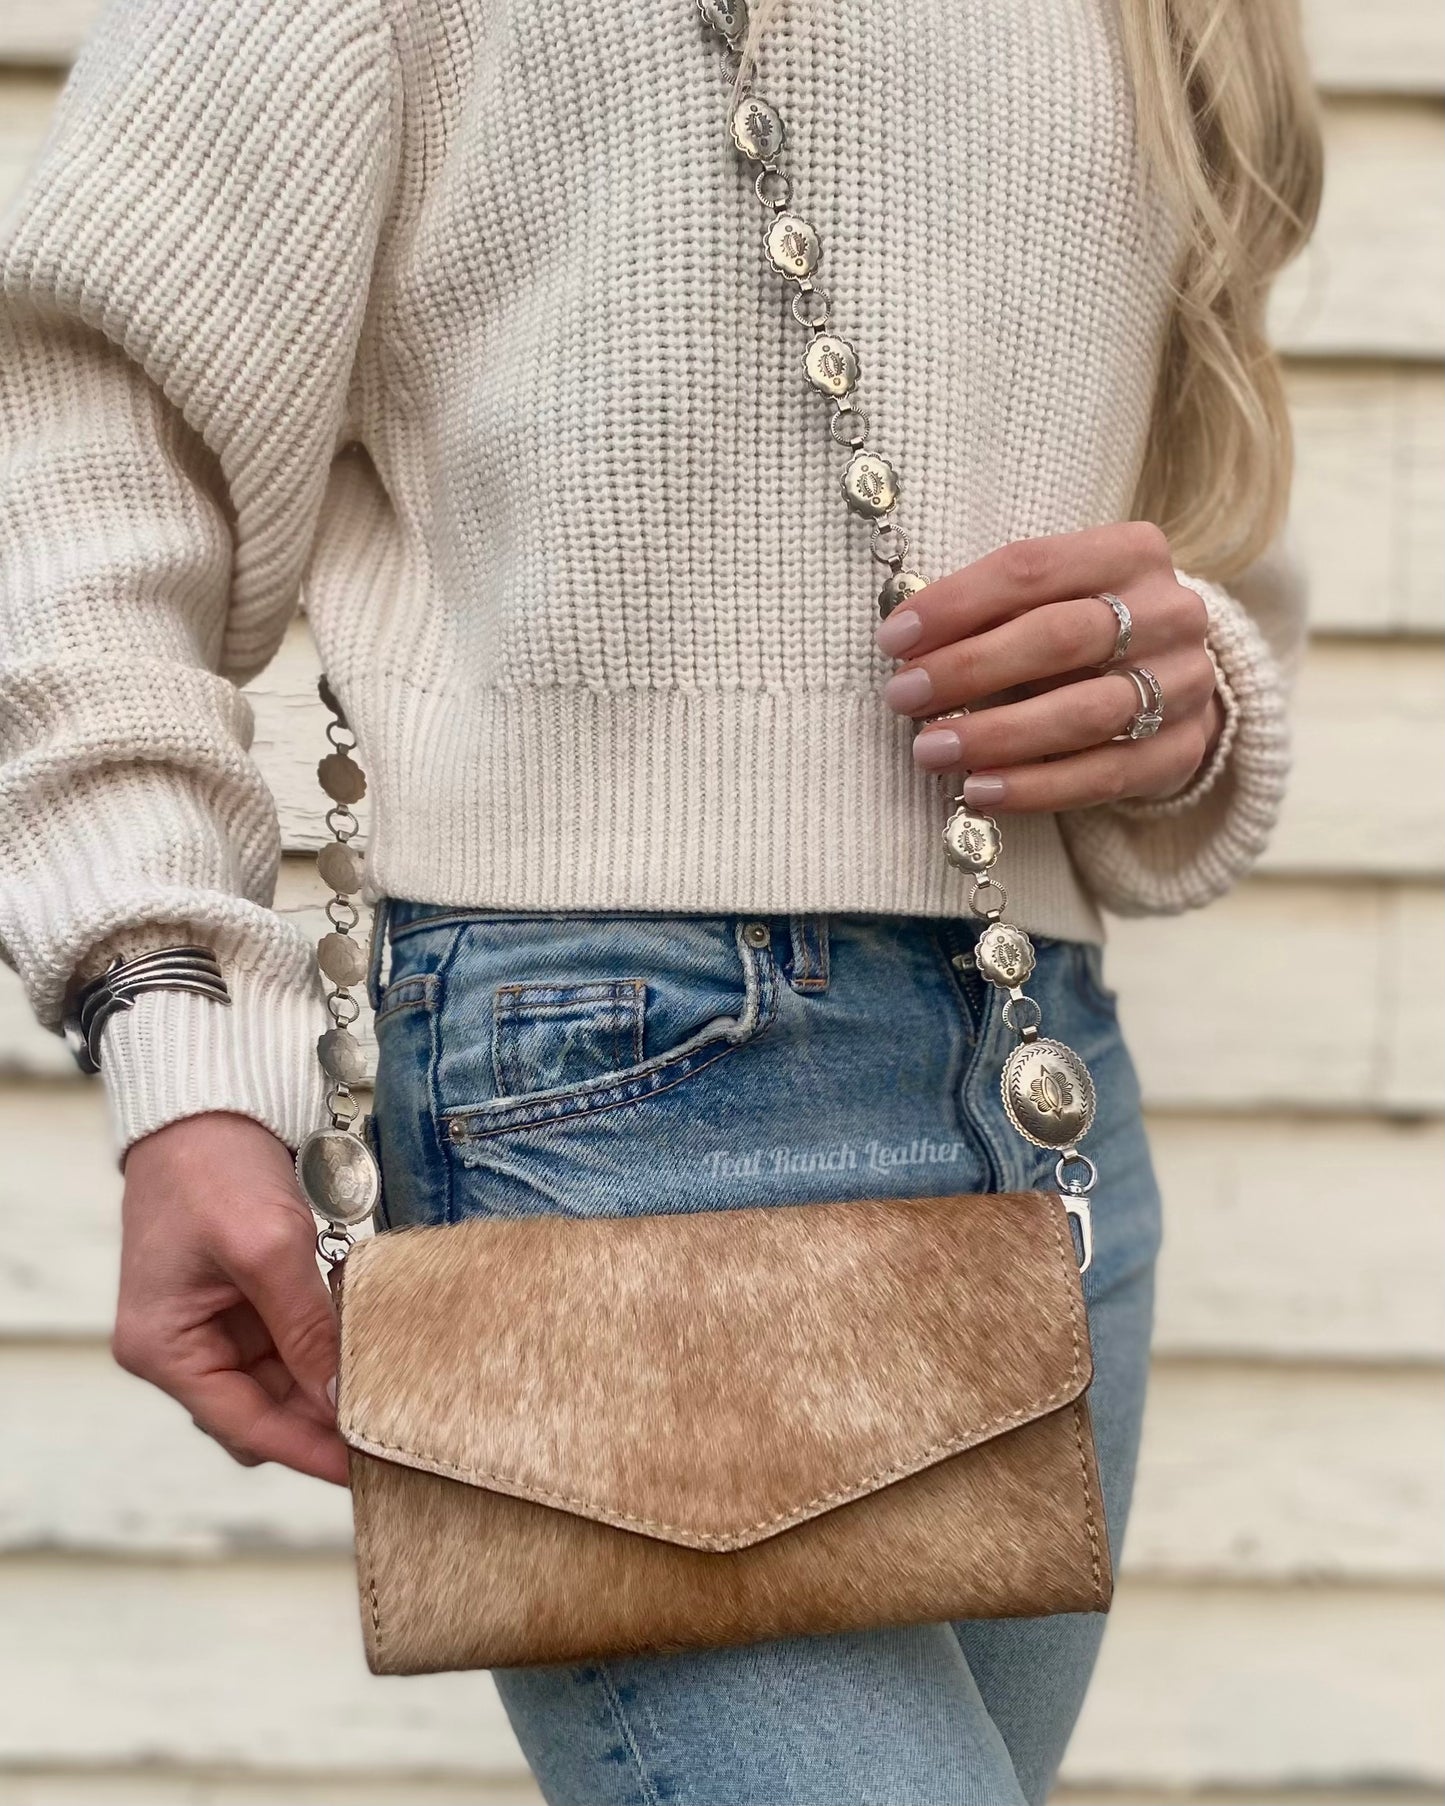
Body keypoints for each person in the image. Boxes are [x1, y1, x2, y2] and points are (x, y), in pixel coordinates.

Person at [0, 0, 1321, 1800]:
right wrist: (166, 1012)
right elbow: (75, 446)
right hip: (608, 1094)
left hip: (1037, 1082)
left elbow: (1197, 507)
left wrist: (1177, 692)